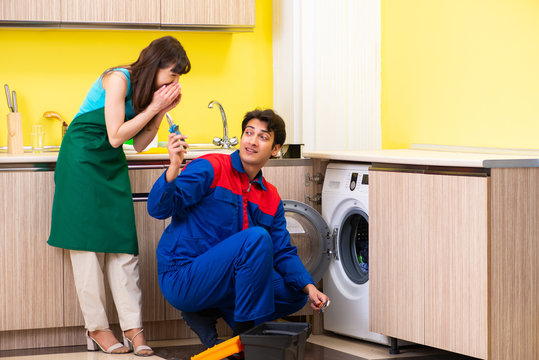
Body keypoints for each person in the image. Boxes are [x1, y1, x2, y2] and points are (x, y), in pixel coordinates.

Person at [48, 36, 191, 356]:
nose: (175, 81)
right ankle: (98, 328)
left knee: (123, 246)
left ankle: (133, 328)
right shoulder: (117, 79)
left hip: (110, 165)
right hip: (83, 160)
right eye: (173, 73)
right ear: (156, 65)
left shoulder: (146, 93)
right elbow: (115, 136)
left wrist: (158, 111)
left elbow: (138, 144)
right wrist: (155, 105)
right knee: (86, 248)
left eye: (179, 76)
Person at [147, 109, 329, 351]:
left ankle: (207, 313)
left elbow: (282, 251)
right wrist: (174, 166)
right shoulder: (211, 167)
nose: (252, 141)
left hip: (227, 279)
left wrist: (310, 287)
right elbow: (159, 209)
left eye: (263, 137)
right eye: (248, 133)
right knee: (255, 238)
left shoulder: (270, 196)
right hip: (184, 276)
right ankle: (248, 338)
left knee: (294, 293)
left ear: (275, 149)